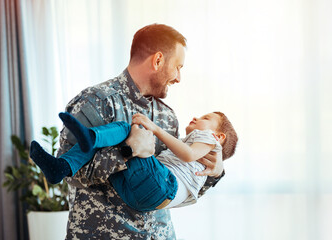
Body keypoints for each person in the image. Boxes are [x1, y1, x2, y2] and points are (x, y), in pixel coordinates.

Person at [56, 23, 225, 239]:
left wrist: (214, 172)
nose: (178, 78)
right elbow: (68, 171)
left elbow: (174, 187)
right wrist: (126, 152)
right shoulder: (95, 103)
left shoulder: (168, 116)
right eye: (178, 67)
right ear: (157, 60)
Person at [30, 111, 238, 211]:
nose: (196, 116)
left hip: (162, 186)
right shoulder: (190, 146)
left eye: (205, 117)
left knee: (126, 128)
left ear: (218, 136)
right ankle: (62, 166)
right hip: (141, 200)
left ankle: (88, 138)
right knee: (116, 141)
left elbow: (188, 155)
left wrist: (154, 128)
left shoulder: (208, 140)